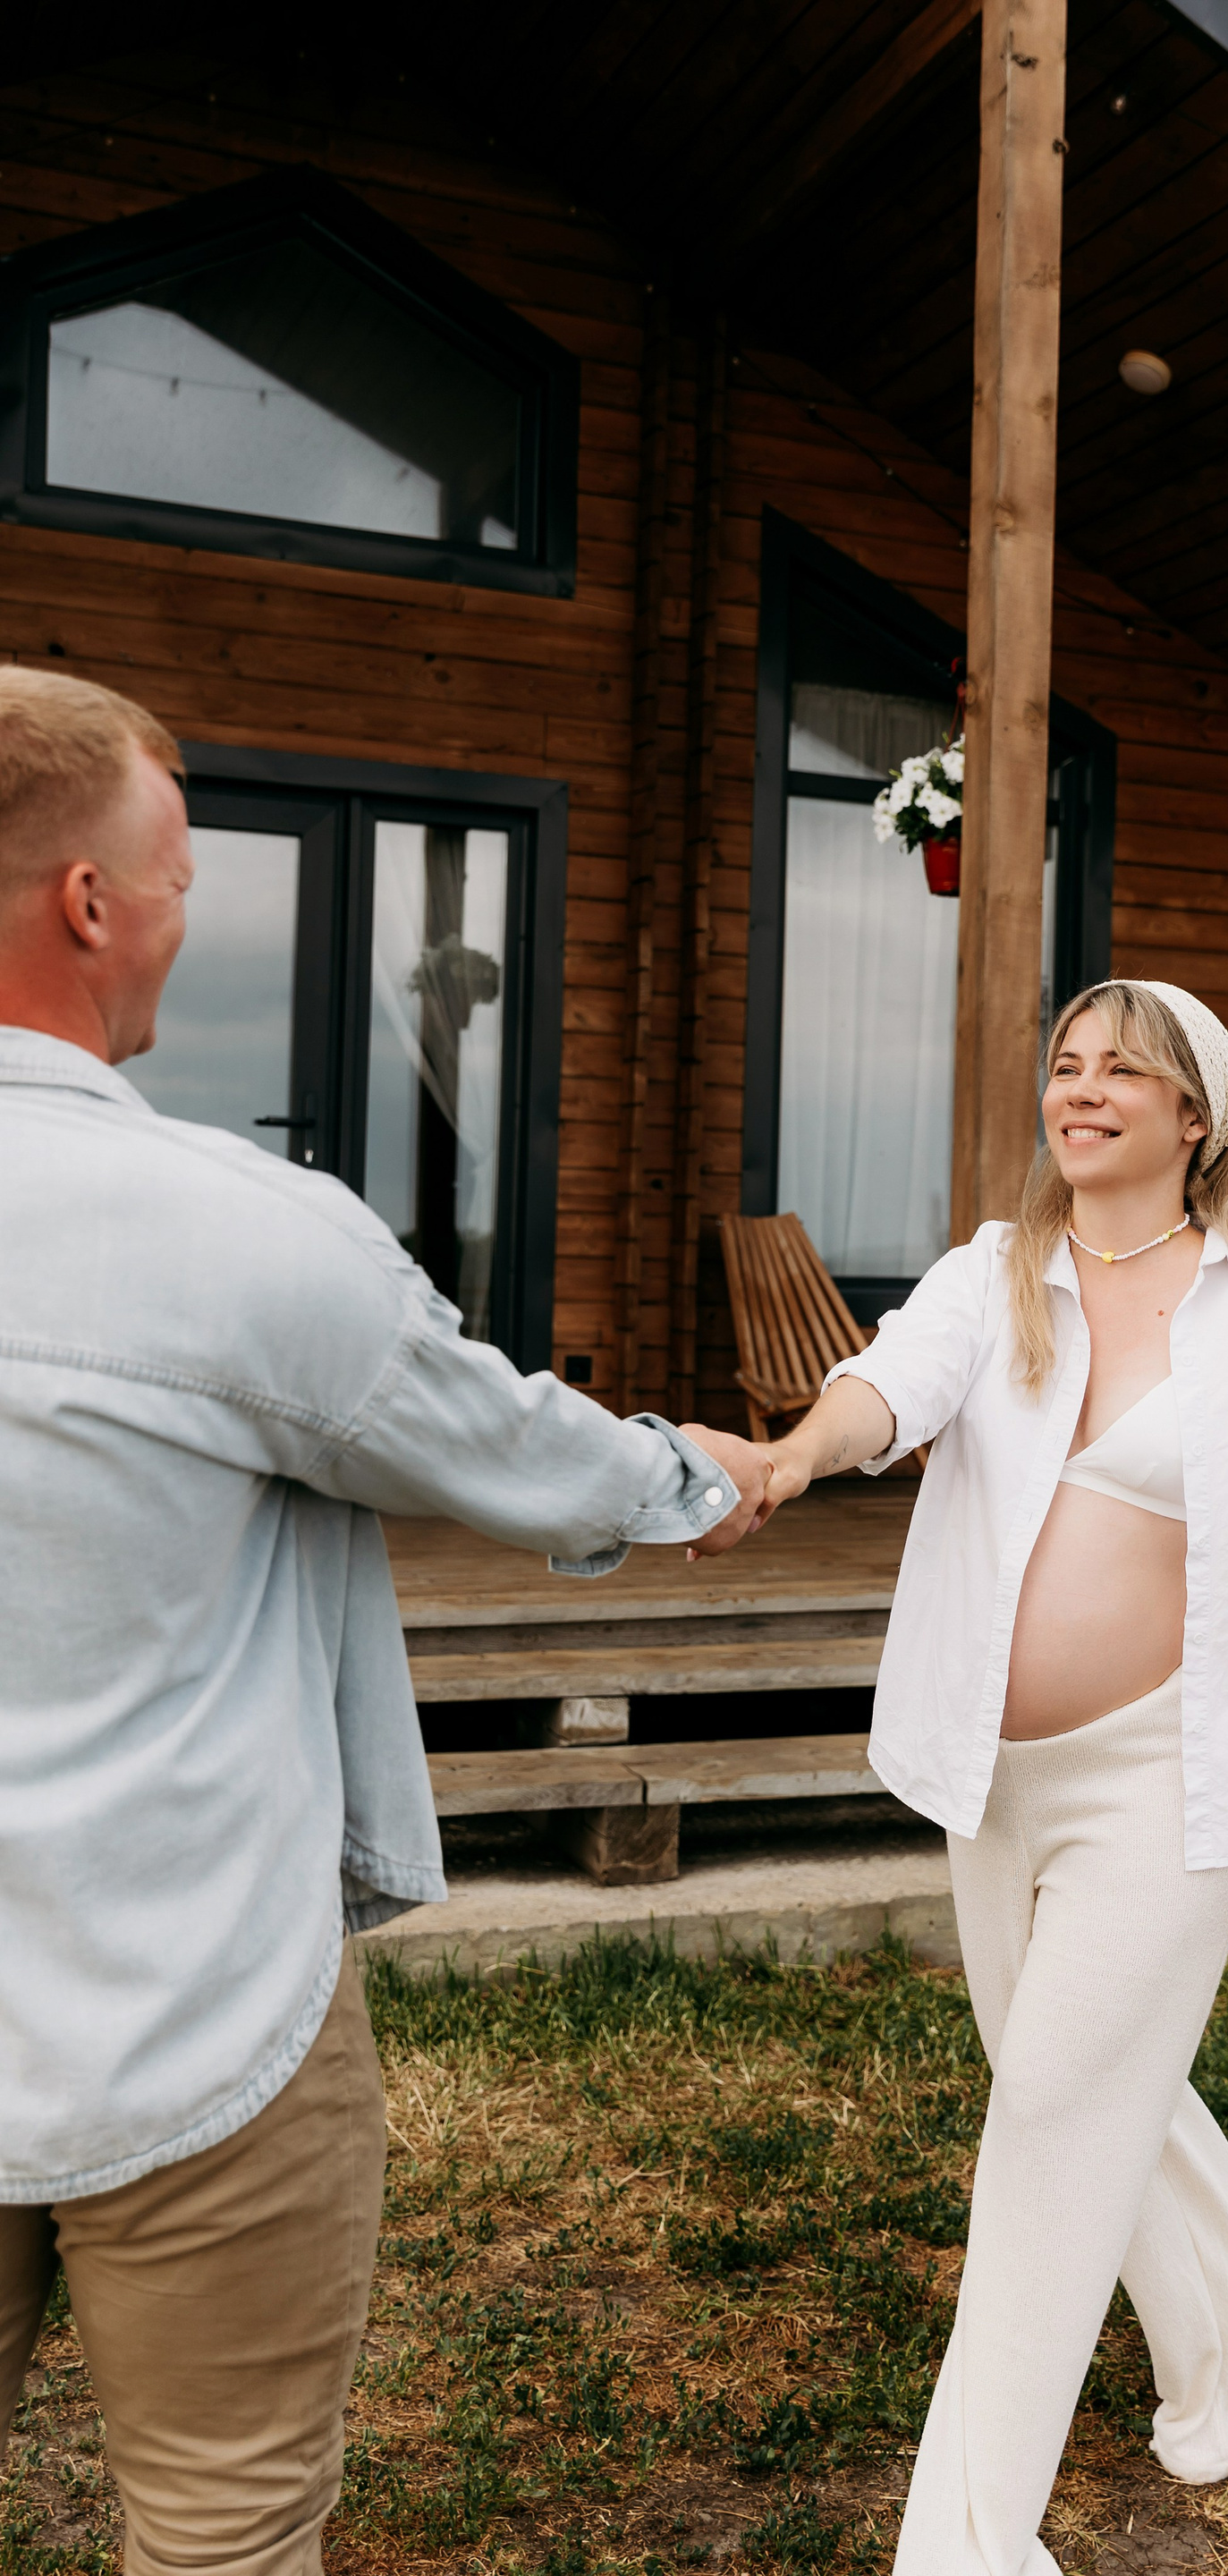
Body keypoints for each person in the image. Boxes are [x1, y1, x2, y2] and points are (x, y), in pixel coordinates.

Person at [0, 667, 768, 2574]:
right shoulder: (238, 1233)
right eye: (182, 880)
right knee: (227, 2531)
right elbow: (511, 1450)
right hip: (191, 2024)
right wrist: (699, 1475)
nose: (185, 920)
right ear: (90, 903)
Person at [748, 978, 1228, 2574]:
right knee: (1095, 2087)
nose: (1084, 1089)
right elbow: (888, 1386)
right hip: (998, 1775)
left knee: (1049, 2128)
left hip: (1166, 1783)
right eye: (1067, 1064)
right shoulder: (997, 1273)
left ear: (1195, 1116)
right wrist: (790, 1457)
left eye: (1124, 1070)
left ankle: (967, 2544)